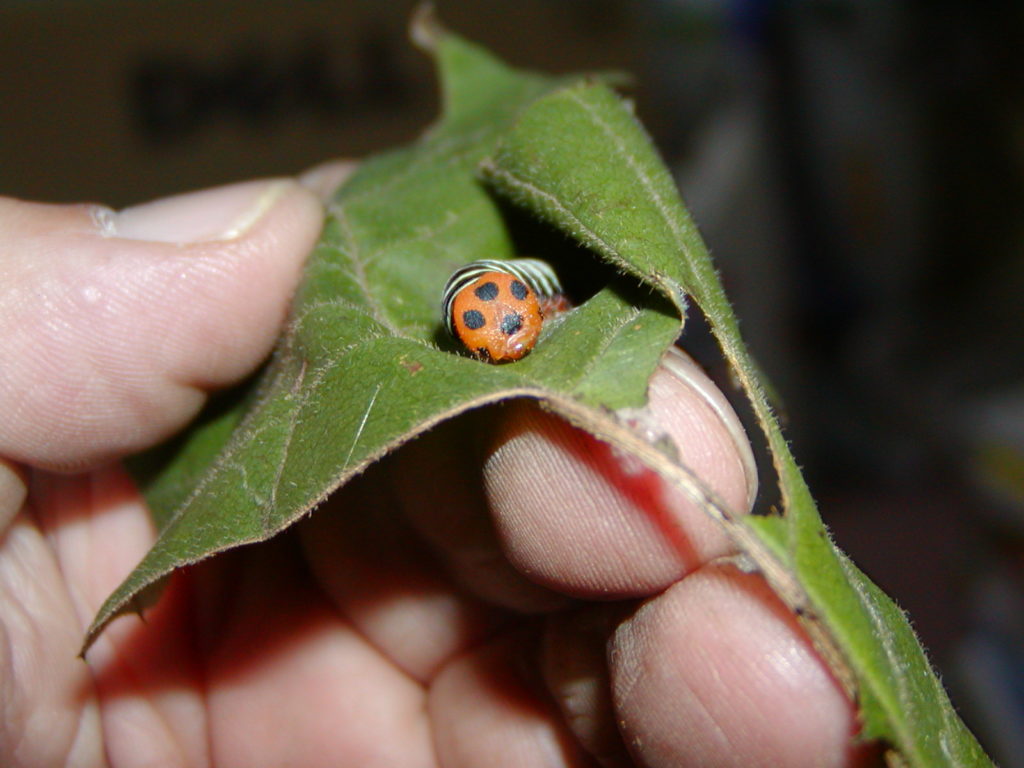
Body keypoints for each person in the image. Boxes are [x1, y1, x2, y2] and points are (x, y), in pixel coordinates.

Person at [0, 166, 868, 767]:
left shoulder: (512, 302)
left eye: (513, 320)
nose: (511, 332)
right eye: (502, 324)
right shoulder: (501, 311)